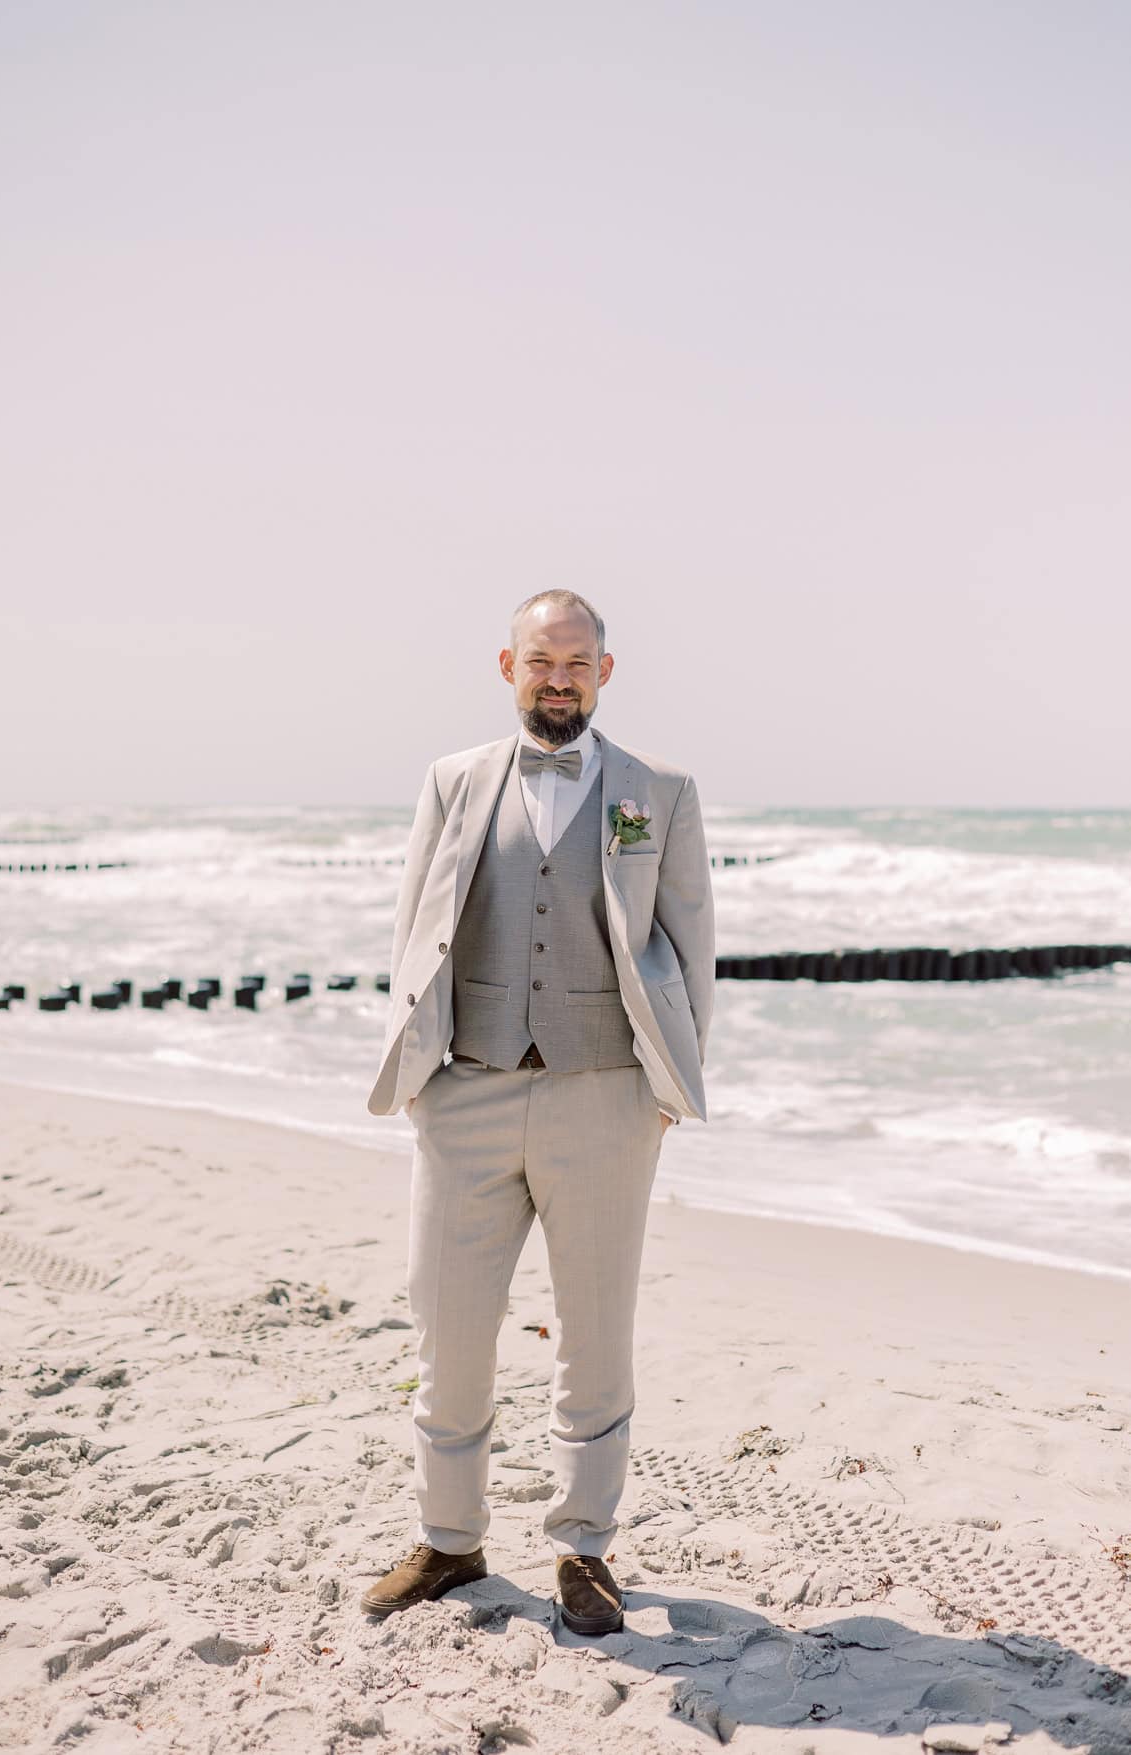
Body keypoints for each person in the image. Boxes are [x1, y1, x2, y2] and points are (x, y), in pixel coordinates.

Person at [361, 589, 715, 1635]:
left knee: (596, 1336)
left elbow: (692, 951)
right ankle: (448, 1539)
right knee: (450, 1330)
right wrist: (424, 1080)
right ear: (506, 666)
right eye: (538, 660)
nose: (555, 678)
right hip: (465, 1091)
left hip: (605, 1098)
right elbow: (413, 932)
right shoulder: (452, 781)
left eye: (574, 662)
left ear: (605, 673)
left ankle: (584, 1550)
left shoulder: (661, 790)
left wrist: (668, 1092)